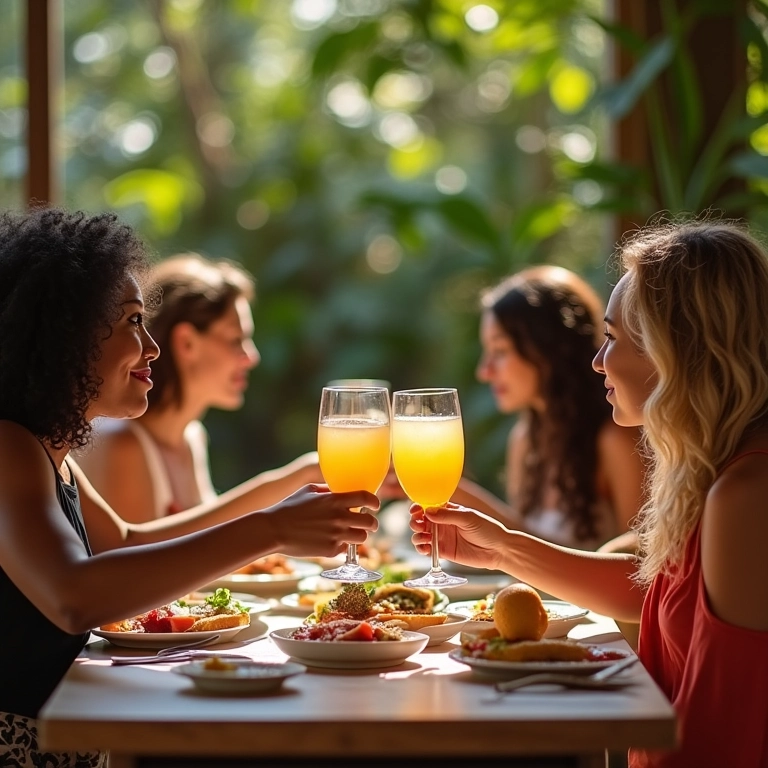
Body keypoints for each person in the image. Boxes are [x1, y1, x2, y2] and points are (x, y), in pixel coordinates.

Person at [0, 207, 378, 768]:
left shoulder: (49, 451)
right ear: (64, 334)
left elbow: (128, 542)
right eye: (133, 322)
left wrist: (280, 502)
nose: (151, 347)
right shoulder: (7, 445)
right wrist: (271, 529)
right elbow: (72, 597)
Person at [409, 219, 768, 768]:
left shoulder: (746, 494)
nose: (598, 360)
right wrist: (503, 549)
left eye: (614, 339)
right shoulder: (709, 470)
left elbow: (729, 724)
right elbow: (650, 592)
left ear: (678, 351)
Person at [78, 253, 321, 523]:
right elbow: (145, 549)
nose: (252, 357)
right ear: (187, 343)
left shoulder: (192, 436)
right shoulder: (121, 443)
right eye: (236, 340)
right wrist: (298, 477)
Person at [452, 265, 645, 551]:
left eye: (500, 351)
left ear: (547, 349)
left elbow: (640, 562)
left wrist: (461, 497)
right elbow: (521, 555)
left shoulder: (613, 439)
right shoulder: (525, 439)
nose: (484, 371)